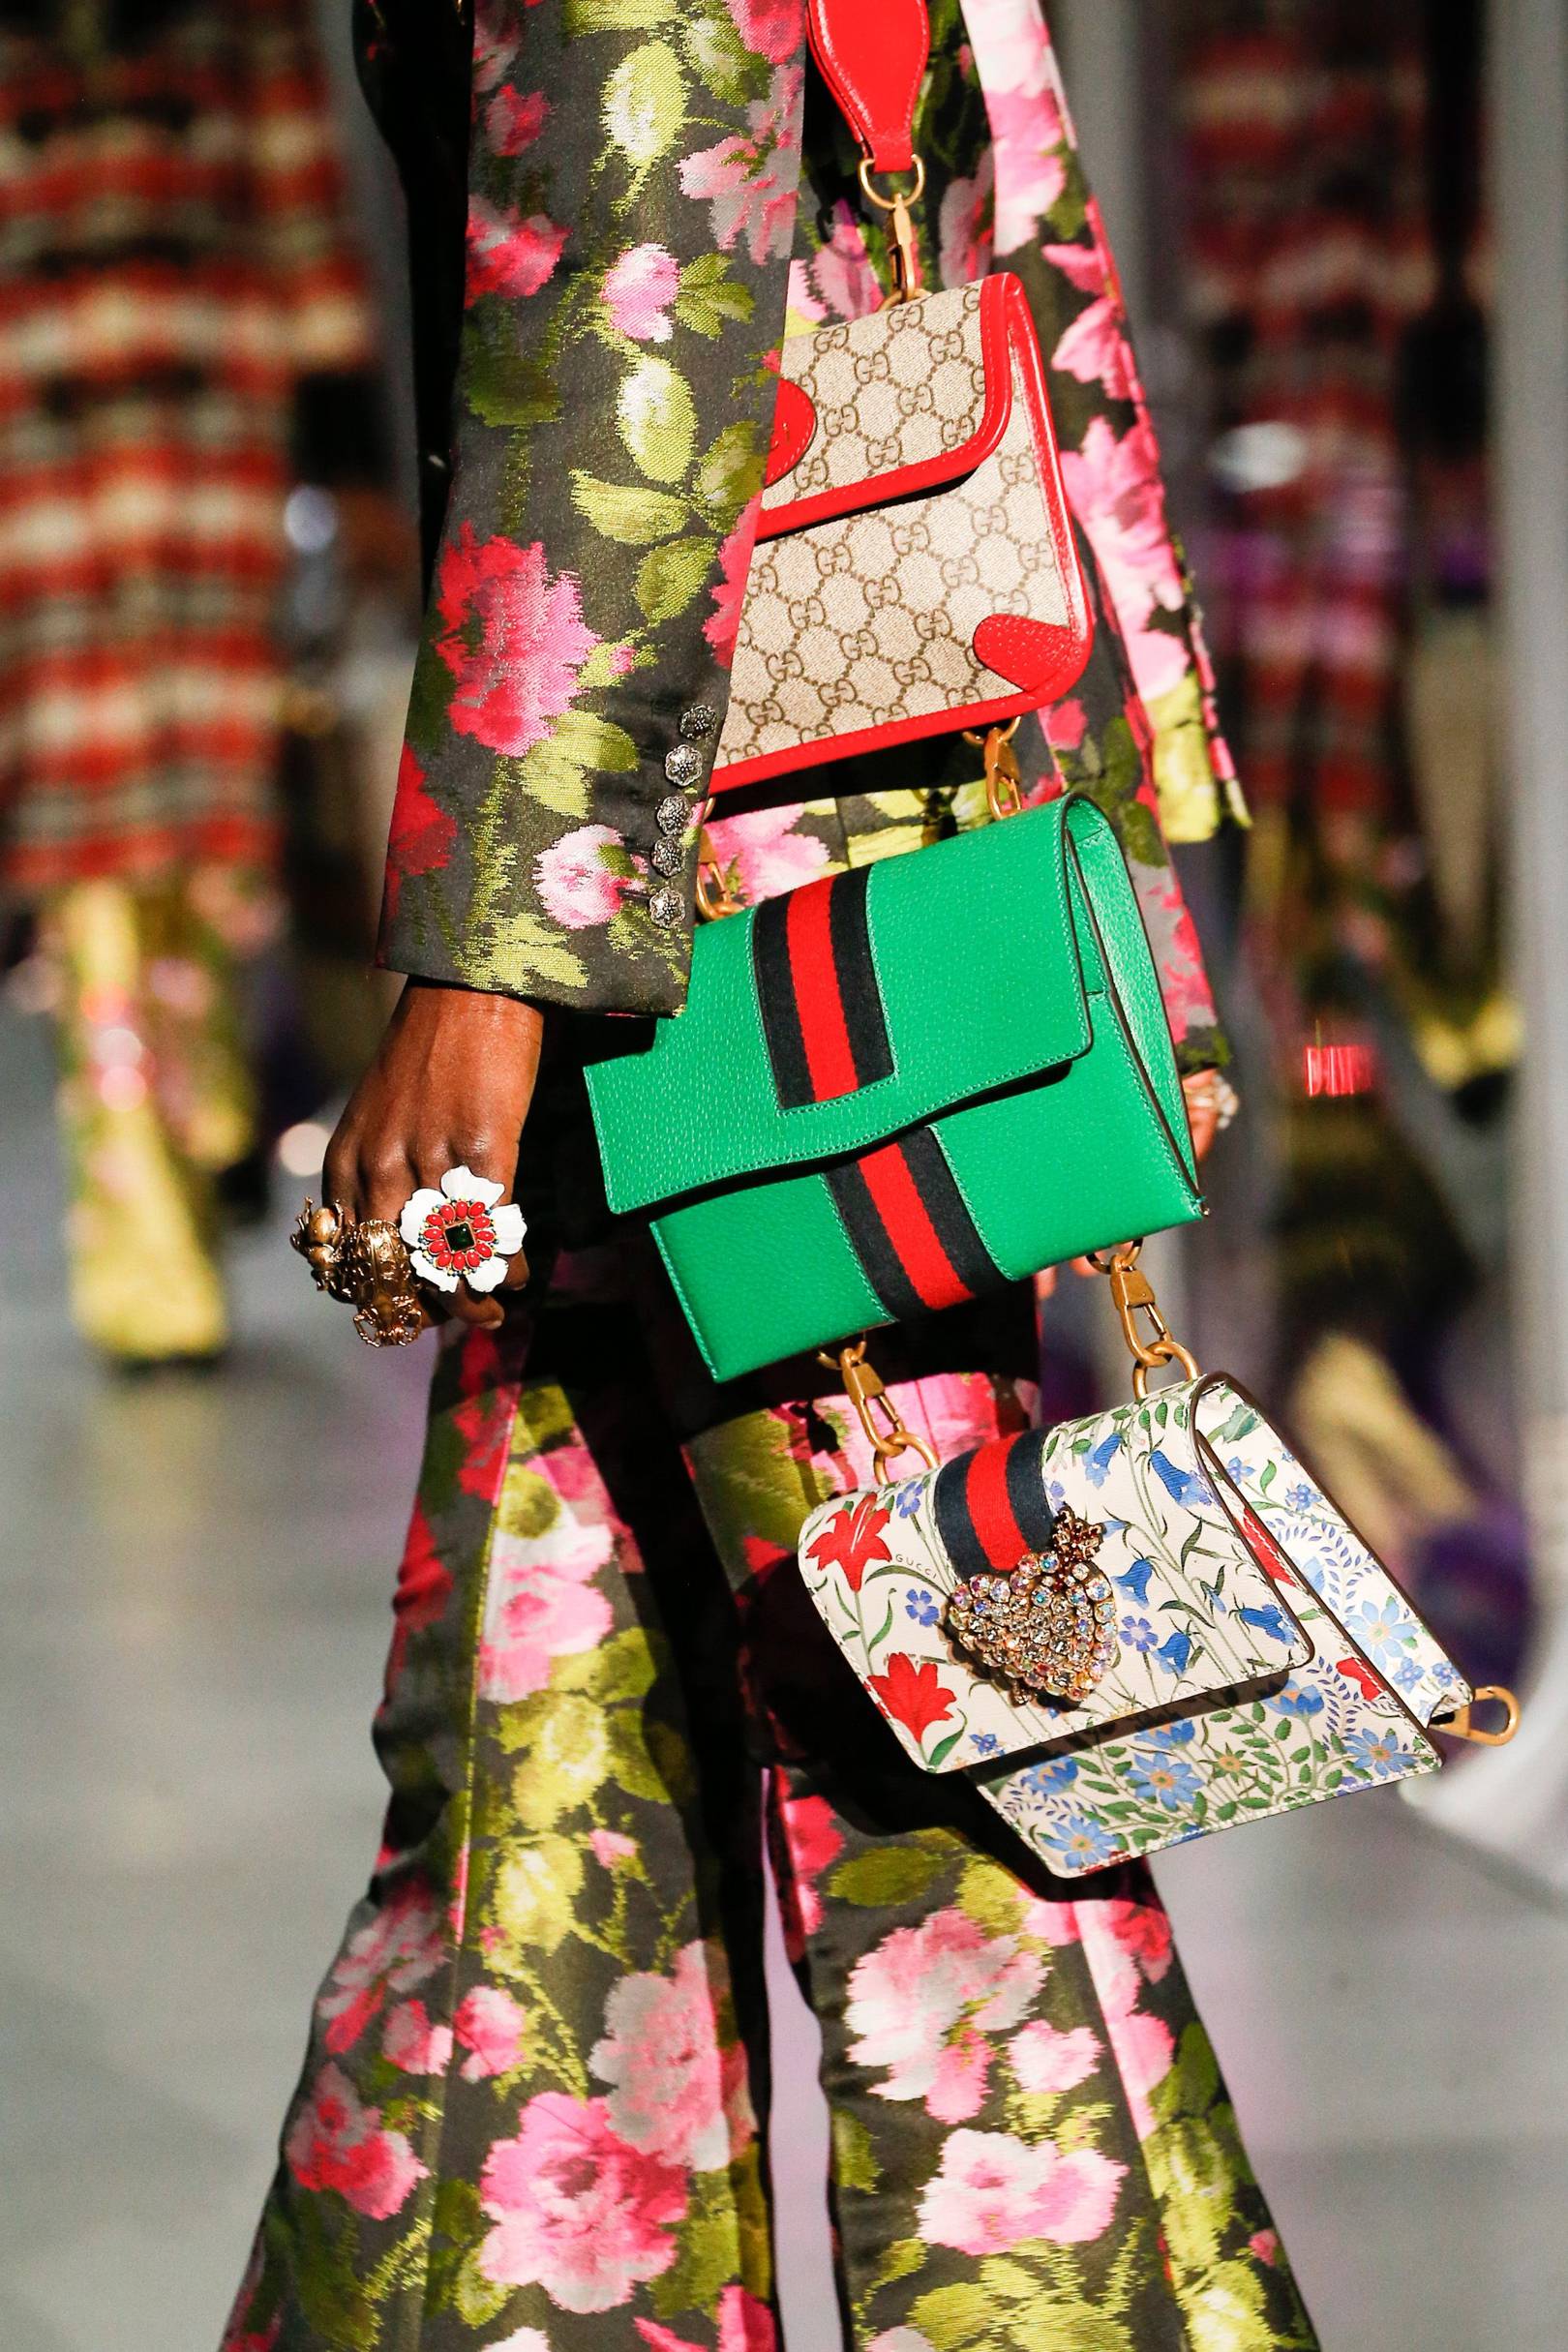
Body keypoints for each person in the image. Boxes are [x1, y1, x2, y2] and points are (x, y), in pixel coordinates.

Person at [226, 1, 1318, 2343]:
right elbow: (993, 249)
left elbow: (635, 279)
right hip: (804, 876)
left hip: (744, 951)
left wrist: (491, 957)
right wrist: (1122, 839)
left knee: (941, 1751)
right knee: (549, 1772)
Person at [0, 0, 380, 1364]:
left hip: (211, 412)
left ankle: (209, 1105)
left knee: (212, 820)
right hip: (35, 429)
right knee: (91, 839)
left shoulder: (239, 14)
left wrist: (347, 450)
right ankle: (147, 1257)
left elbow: (296, 191)